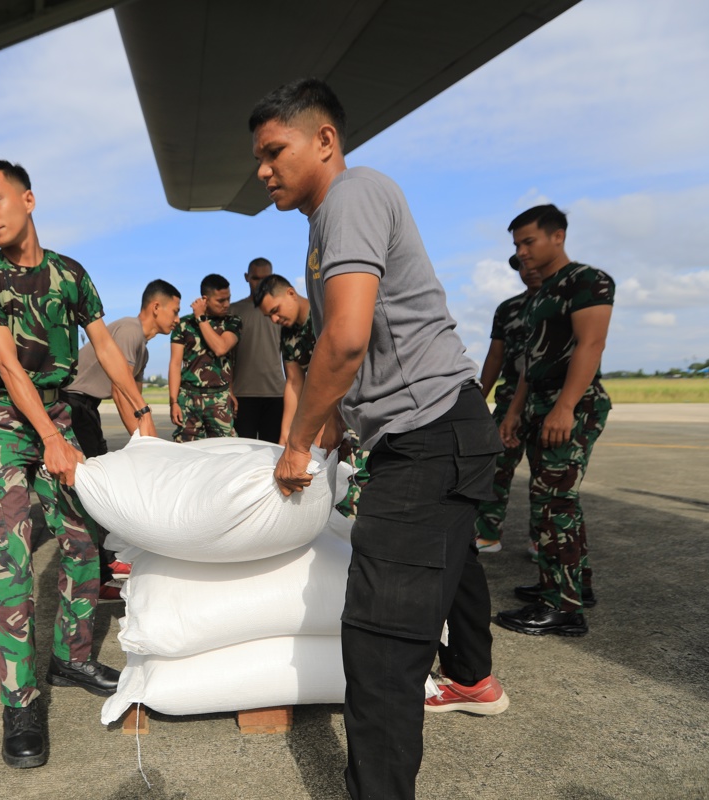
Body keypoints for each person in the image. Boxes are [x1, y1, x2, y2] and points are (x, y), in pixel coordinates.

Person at [251, 78, 508, 800]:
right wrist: (341, 417)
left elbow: (348, 337)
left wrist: (298, 441)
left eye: (275, 151)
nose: (263, 169)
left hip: (427, 437)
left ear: (324, 140)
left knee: (380, 648)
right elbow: (363, 343)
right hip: (439, 433)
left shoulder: (352, 194)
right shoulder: (323, 225)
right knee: (447, 572)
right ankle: (474, 678)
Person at [0, 159, 157, 769]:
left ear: (29, 199)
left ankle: (70, 657)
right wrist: (48, 436)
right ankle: (20, 702)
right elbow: (10, 367)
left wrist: (139, 415)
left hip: (58, 418)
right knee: (11, 560)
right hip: (1, 425)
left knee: (83, 540)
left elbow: (104, 347)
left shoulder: (70, 274)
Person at [496, 204, 613, 637]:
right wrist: (513, 411)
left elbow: (591, 344)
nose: (521, 252)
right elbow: (531, 361)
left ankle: (561, 608)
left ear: (557, 236)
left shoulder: (587, 281)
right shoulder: (541, 295)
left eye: (529, 242)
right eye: (517, 245)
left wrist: (565, 406)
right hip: (538, 403)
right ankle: (571, 585)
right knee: (553, 502)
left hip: (572, 405)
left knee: (555, 504)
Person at [60, 279, 182, 596]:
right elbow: (119, 389)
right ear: (156, 307)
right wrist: (147, 446)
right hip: (74, 406)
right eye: (175, 310)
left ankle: (105, 564)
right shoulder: (130, 330)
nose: (177, 319)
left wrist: (149, 445)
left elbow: (135, 400)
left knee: (99, 484)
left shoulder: (140, 348)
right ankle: (98, 576)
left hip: (87, 407)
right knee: (91, 488)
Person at [254, 273, 368, 518]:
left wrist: (326, 422)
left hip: (356, 410)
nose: (275, 319)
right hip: (326, 416)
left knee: (360, 479)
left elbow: (337, 370)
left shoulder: (326, 314)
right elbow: (294, 382)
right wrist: (287, 434)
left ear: (291, 294)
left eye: (275, 310)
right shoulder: (288, 334)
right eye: (269, 316)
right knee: (332, 486)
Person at [471, 256, 543, 552]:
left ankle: (542, 540)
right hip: (509, 396)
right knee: (496, 467)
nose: (528, 270)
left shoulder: (562, 304)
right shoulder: (508, 309)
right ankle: (488, 533)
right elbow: (495, 357)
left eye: (532, 264)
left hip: (547, 398)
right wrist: (478, 401)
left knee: (545, 476)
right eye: (522, 267)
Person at [169, 274, 241, 441]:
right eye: (221, 301)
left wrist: (201, 319)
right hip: (188, 398)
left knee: (227, 449)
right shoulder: (184, 325)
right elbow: (175, 364)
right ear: (205, 299)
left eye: (228, 299)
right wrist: (173, 402)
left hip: (220, 397)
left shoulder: (232, 322)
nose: (226, 305)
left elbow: (221, 349)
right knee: (186, 450)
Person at [229, 257, 285, 442]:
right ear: (246, 277)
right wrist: (229, 390)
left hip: (275, 392)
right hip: (243, 394)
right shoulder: (233, 311)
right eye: (255, 278)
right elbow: (226, 357)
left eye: (265, 278)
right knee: (244, 451)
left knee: (272, 451)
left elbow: (291, 356)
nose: (260, 282)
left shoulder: (282, 311)